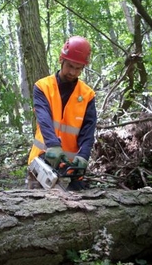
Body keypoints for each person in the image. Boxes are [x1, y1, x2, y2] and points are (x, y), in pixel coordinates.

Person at [27, 35, 97, 190]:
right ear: (61, 60)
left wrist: (84, 156)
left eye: (78, 68)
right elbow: (43, 117)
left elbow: (88, 130)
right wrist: (52, 145)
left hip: (71, 169)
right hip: (42, 161)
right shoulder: (42, 87)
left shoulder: (87, 95)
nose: (72, 72)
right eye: (70, 66)